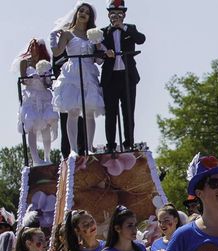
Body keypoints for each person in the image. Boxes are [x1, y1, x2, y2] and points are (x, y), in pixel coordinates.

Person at [51, 3, 105, 156]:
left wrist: (99, 44)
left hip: (88, 72)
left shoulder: (92, 34)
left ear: (90, 17)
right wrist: (53, 38)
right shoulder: (68, 34)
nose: (83, 14)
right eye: (81, 10)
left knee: (89, 112)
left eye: (87, 12)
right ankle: (73, 149)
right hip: (72, 72)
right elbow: (57, 53)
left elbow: (99, 60)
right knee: (73, 112)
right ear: (76, 13)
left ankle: (89, 147)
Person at [101, 0, 145, 152]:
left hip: (128, 76)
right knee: (110, 112)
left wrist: (123, 27)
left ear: (124, 15)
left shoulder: (130, 29)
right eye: (113, 14)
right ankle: (110, 145)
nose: (116, 17)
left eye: (119, 14)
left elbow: (141, 39)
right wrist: (105, 53)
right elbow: (96, 50)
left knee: (128, 111)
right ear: (108, 15)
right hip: (111, 77)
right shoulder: (103, 32)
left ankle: (129, 143)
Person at [14, 39, 58, 166]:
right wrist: (30, 78)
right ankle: (35, 159)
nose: (32, 48)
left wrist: (45, 77)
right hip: (31, 97)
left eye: (35, 46)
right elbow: (23, 80)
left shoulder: (45, 62)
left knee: (46, 126)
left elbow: (48, 84)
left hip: (44, 96)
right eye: (31, 46)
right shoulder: (24, 62)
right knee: (31, 126)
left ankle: (47, 157)